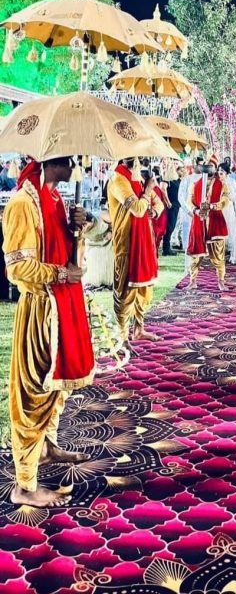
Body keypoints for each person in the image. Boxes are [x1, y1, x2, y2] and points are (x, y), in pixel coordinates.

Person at [3, 157, 95, 507]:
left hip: (63, 306)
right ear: (53, 158)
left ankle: (46, 447)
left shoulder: (54, 198)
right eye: (72, 158)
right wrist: (61, 274)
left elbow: (70, 258)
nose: (76, 163)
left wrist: (77, 232)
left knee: (57, 387)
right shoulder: (23, 204)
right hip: (40, 309)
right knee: (34, 394)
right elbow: (17, 267)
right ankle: (25, 485)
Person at [108, 159, 164, 343]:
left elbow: (159, 203)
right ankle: (122, 337)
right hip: (127, 243)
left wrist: (154, 211)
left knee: (144, 289)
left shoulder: (138, 177)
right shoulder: (118, 179)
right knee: (125, 291)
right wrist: (147, 192)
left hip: (145, 241)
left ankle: (139, 329)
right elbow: (138, 210)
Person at [187, 156, 230, 290]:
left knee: (218, 254)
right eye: (206, 165)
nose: (208, 167)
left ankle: (221, 281)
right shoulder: (195, 184)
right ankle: (192, 281)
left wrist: (212, 206)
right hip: (198, 221)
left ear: (215, 168)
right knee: (195, 254)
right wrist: (195, 210)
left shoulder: (222, 184)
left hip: (215, 222)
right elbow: (189, 201)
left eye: (211, 165)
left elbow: (225, 201)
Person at [178, 160, 202, 271]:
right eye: (199, 165)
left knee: (200, 240)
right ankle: (188, 266)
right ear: (195, 165)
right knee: (188, 240)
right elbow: (181, 197)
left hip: (201, 215)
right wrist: (190, 211)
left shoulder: (205, 181)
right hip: (189, 215)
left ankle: (198, 265)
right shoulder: (187, 180)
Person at [218, 163, 236, 258]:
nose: (220, 173)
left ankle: (229, 249)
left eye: (222, 171)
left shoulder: (231, 182)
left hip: (228, 207)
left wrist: (227, 193)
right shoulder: (216, 181)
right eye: (218, 171)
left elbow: (234, 197)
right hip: (218, 207)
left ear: (227, 173)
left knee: (229, 226)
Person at [162, 162, 181, 256]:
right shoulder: (167, 179)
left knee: (172, 226)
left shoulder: (176, 178)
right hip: (171, 205)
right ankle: (166, 248)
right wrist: (168, 202)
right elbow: (163, 189)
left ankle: (167, 247)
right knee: (170, 226)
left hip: (176, 205)